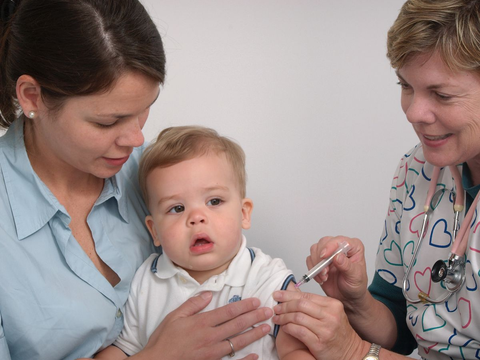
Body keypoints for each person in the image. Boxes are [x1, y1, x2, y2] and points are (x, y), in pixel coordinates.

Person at [0, 1, 274, 359]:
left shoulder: (158, 174)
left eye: (144, 109)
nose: (136, 139)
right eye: (107, 122)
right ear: (32, 97)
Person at [271, 0, 480, 359]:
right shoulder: (417, 168)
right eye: (405, 85)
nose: (414, 112)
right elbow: (405, 329)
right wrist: (356, 302)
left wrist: (354, 352)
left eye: (441, 95)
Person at [93, 125, 314, 360]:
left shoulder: (268, 278)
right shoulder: (145, 282)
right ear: (154, 230)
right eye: (177, 208)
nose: (196, 217)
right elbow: (124, 348)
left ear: (244, 213)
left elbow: (297, 351)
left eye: (214, 201)